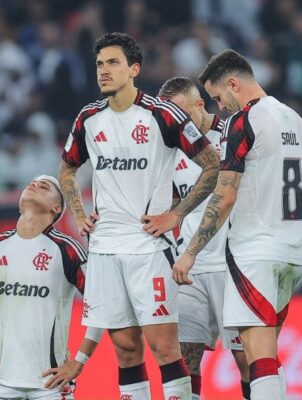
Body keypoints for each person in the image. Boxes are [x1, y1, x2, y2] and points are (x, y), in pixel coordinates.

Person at [58, 32, 220, 400]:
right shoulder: (89, 118)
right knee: (126, 351)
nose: (104, 70)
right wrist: (80, 213)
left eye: (113, 62)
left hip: (148, 248)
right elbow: (67, 171)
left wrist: (176, 215)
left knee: (164, 348)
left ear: (134, 69)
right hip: (104, 249)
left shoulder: (163, 114)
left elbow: (211, 165)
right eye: (99, 63)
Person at [172, 49, 302, 399]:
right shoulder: (297, 119)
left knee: (258, 357)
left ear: (233, 84)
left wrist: (190, 252)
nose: (220, 107)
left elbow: (226, 195)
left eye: (219, 97)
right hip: (292, 252)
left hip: (255, 254)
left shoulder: (244, 121)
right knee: (266, 357)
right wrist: (291, 241)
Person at [0, 175, 104, 400]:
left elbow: (100, 303)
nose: (36, 185)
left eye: (45, 187)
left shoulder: (67, 249)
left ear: (57, 208)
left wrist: (79, 361)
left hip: (51, 385)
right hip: (2, 383)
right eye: (32, 184)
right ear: (19, 202)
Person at [157, 76, 250, 400]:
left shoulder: (233, 135)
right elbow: (171, 203)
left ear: (200, 105)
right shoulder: (171, 148)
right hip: (189, 269)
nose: (175, 123)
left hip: (232, 265)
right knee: (185, 357)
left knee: (247, 360)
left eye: (180, 114)